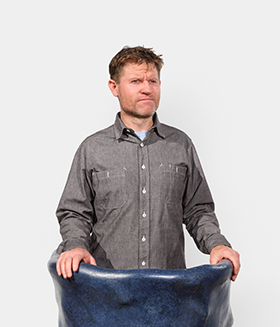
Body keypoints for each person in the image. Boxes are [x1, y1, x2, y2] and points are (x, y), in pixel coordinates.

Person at [55, 46, 241, 281]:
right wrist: (75, 246)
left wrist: (217, 244)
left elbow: (198, 210)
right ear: (114, 87)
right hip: (107, 291)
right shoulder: (92, 149)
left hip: (168, 293)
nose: (147, 88)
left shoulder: (180, 144)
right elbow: (74, 212)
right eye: (135, 81)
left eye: (153, 81)